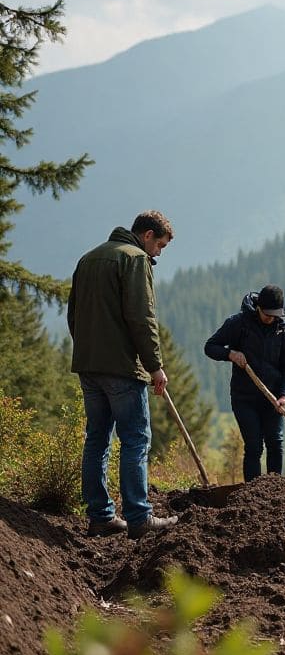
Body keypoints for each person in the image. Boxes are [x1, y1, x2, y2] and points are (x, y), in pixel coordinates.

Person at [67, 211, 179, 539]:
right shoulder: (135, 259)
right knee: (136, 439)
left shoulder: (88, 258)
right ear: (147, 235)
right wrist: (155, 365)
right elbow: (141, 317)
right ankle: (140, 517)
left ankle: (101, 516)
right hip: (121, 369)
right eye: (160, 245)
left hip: (88, 365)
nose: (158, 253)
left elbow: (73, 313)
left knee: (97, 438)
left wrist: (87, 350)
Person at [204, 285, 285, 482]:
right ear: (258, 308)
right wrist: (230, 354)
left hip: (273, 399)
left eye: (275, 315)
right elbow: (210, 347)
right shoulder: (238, 324)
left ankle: (276, 488)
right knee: (254, 446)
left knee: (275, 443)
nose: (271, 319)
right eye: (267, 314)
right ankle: (253, 492)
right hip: (244, 398)